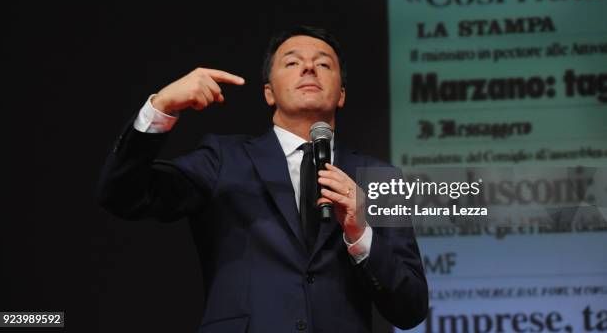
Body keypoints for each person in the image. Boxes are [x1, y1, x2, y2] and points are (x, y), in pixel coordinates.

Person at [97, 26, 428, 333]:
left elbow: (410, 308)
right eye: (293, 62)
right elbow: (123, 193)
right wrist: (161, 107)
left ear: (341, 94)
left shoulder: (381, 179)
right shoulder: (224, 159)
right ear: (269, 93)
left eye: (324, 64)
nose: (309, 69)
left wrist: (361, 235)